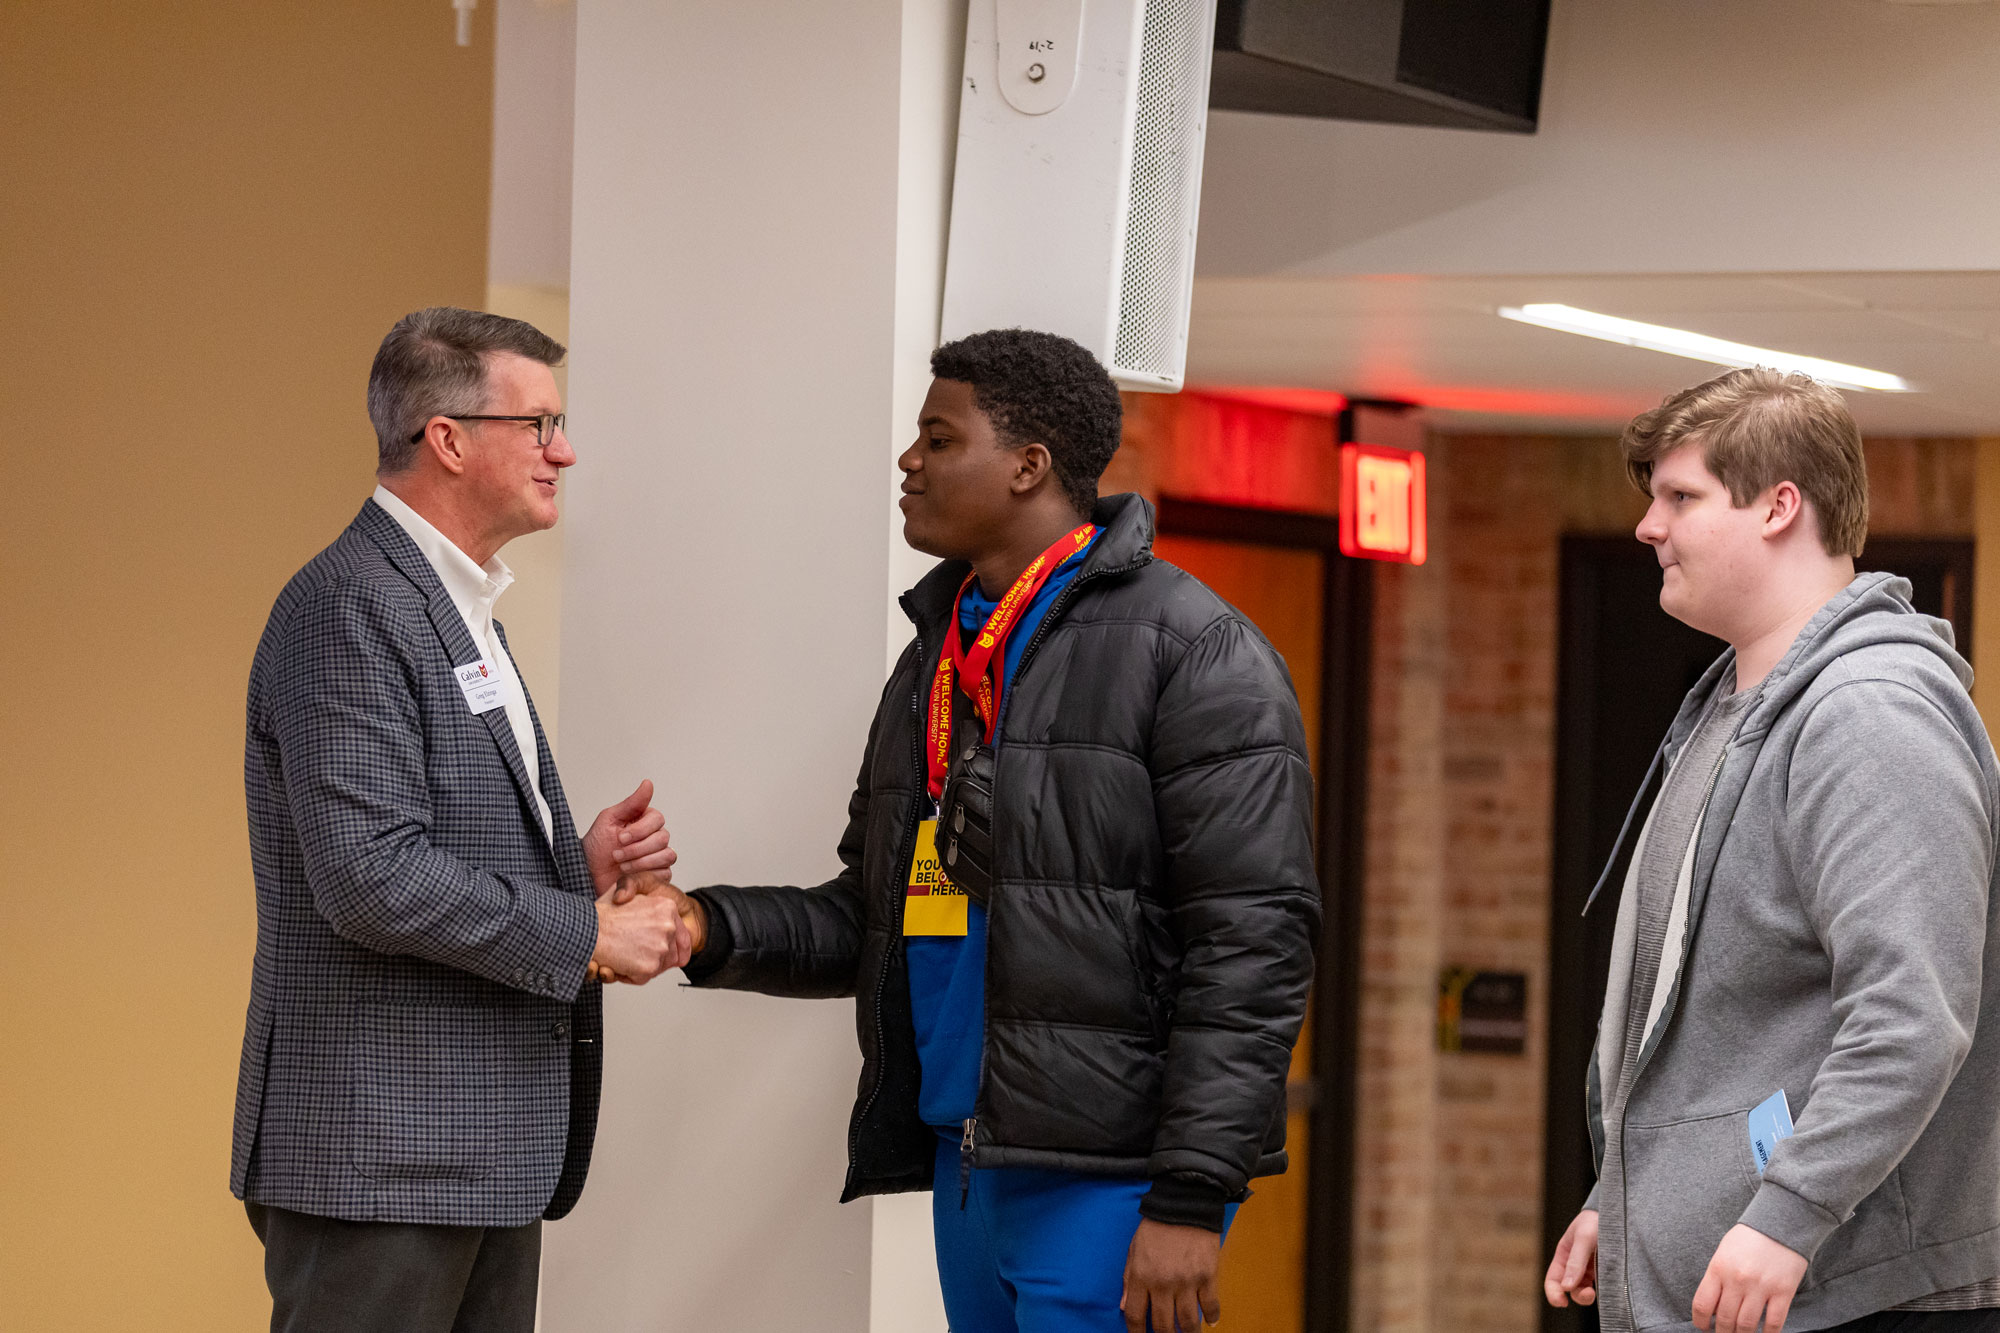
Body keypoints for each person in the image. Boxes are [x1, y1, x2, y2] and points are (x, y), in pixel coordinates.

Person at [614, 328, 1319, 1332]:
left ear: (1028, 465)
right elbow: (873, 912)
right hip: (966, 1160)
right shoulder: (934, 661)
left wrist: (1191, 1194)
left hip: (1107, 1181)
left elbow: (1254, 944)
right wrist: (701, 923)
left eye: (939, 439)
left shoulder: (1194, 653)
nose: (909, 461)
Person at [231, 307, 692, 1332]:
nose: (561, 451)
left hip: (470, 1152)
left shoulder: (452, 601)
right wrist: (589, 931)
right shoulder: (352, 602)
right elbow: (372, 877)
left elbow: (424, 850)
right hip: (381, 1156)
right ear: (447, 438)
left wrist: (575, 865)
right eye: (538, 425)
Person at [1543, 367, 2000, 1333]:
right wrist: (1621, 1202)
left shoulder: (1868, 715)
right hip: (1742, 1281)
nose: (1648, 527)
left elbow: (1911, 1016)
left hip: (1849, 1291)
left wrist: (1791, 1214)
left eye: (1681, 496)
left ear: (1779, 506)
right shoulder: (1729, 705)